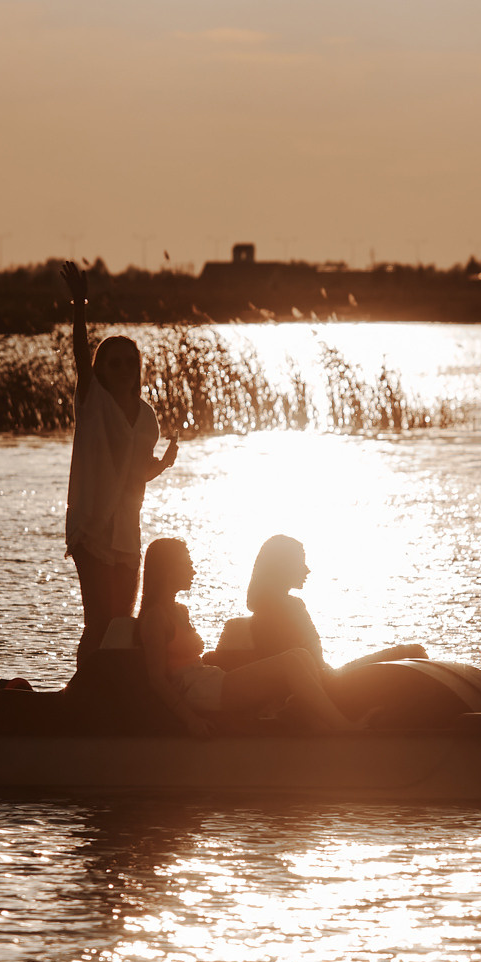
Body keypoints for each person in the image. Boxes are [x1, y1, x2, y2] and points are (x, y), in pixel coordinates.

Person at [61, 259, 178, 670]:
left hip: (127, 532)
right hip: (91, 527)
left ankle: (110, 689)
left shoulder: (146, 417)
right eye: (115, 363)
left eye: (130, 362)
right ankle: (82, 691)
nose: (124, 369)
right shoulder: (93, 400)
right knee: (98, 622)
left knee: (121, 624)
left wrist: (163, 465)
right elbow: (80, 354)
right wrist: (80, 306)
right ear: (101, 369)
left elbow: (137, 474)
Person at [134, 538, 357, 734]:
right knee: (291, 662)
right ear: (168, 570)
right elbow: (157, 679)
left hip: (209, 681)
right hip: (197, 692)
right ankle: (343, 728)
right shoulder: (156, 618)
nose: (193, 572)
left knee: (300, 655)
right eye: (188, 565)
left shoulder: (180, 610)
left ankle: (321, 723)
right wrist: (190, 720)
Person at [217, 534, 425, 672]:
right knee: (413, 651)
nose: (307, 570)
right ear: (282, 567)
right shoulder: (288, 608)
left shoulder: (269, 608)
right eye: (300, 563)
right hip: (330, 684)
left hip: (327, 678)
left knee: (410, 653)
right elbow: (312, 669)